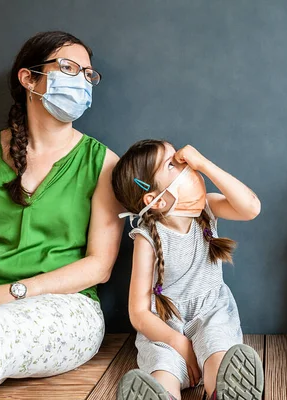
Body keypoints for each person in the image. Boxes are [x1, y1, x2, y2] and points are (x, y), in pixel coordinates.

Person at [0, 31, 123, 400]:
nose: (81, 80)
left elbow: (99, 266)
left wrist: (9, 294)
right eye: (68, 67)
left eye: (87, 74)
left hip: (68, 309)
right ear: (28, 78)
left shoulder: (103, 163)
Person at [112, 140, 264, 400]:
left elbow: (251, 208)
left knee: (218, 354)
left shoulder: (208, 208)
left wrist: (204, 164)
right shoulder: (146, 237)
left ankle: (226, 392)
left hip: (211, 313)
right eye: (171, 164)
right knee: (164, 369)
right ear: (154, 200)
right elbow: (138, 313)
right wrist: (178, 342)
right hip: (165, 325)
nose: (184, 164)